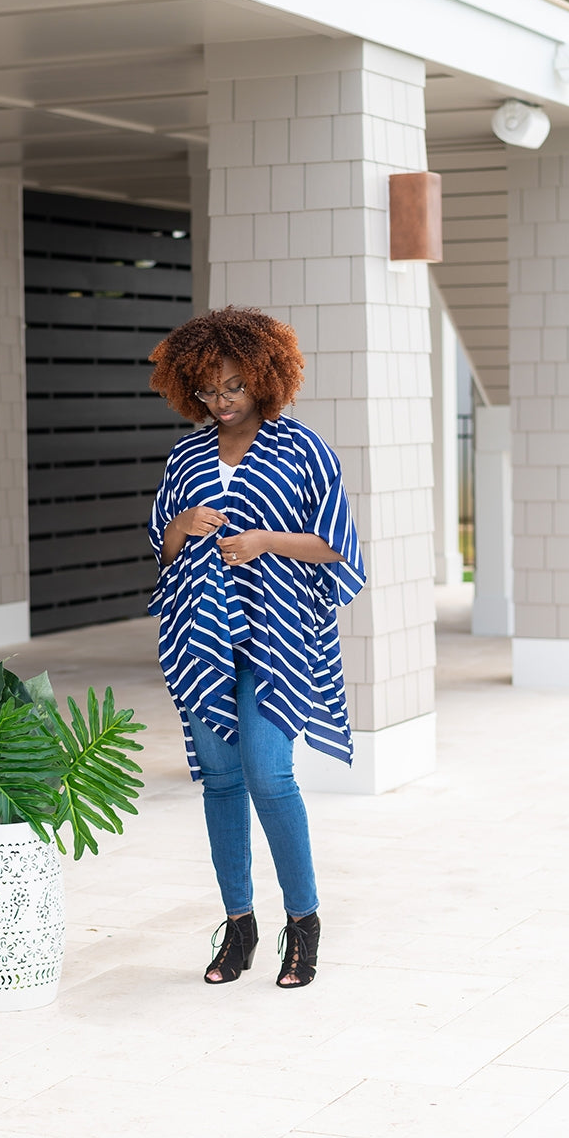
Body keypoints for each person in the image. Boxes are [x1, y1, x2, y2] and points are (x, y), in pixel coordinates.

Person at [147, 306, 364, 988]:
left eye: (234, 387)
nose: (220, 402)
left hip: (278, 637)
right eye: (208, 390)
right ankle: (238, 926)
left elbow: (336, 545)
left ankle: (304, 923)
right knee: (220, 781)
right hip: (201, 636)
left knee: (269, 773)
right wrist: (183, 522)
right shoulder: (185, 455)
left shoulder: (302, 449)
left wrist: (265, 541)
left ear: (264, 378)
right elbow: (162, 545)